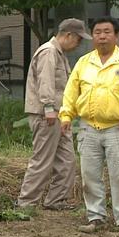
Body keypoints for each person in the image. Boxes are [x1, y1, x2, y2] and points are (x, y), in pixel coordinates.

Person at [59, 16, 119, 233]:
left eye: (107, 32)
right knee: (89, 175)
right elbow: (71, 93)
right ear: (93, 36)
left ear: (116, 36)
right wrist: (66, 116)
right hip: (88, 127)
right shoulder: (84, 62)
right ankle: (95, 217)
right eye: (98, 32)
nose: (102, 36)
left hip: (118, 128)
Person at [16, 18, 91, 210]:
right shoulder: (49, 52)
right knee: (42, 160)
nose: (79, 44)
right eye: (78, 39)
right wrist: (49, 108)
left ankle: (56, 200)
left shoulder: (59, 53)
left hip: (60, 115)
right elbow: (46, 82)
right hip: (47, 115)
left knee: (67, 160)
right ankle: (26, 203)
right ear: (68, 35)